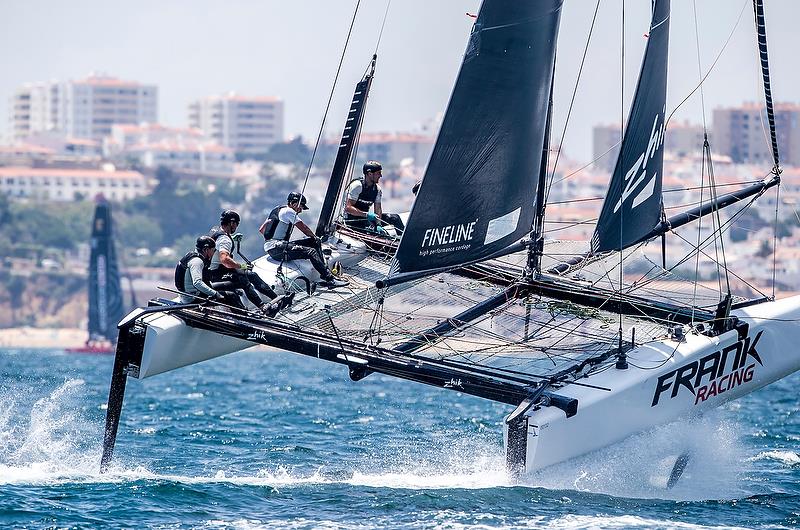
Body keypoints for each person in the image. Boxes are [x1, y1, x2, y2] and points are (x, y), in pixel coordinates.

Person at [208, 210, 292, 315]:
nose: (236, 227)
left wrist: (232, 238)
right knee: (242, 278)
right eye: (236, 224)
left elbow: (218, 244)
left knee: (251, 274)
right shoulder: (225, 240)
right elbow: (225, 260)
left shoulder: (216, 230)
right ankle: (264, 308)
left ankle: (278, 299)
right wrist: (241, 265)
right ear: (232, 223)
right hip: (215, 275)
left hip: (213, 271)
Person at [261, 192, 348, 288]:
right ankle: (330, 280)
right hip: (277, 249)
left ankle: (324, 271)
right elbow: (304, 228)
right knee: (311, 252)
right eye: (301, 207)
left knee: (314, 242)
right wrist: (315, 237)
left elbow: (262, 230)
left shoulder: (277, 210)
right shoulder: (289, 211)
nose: (301, 211)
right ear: (294, 204)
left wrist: (315, 240)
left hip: (275, 247)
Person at [174, 235, 243, 308]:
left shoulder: (193, 256)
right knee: (231, 295)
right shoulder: (197, 261)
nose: (213, 253)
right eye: (213, 250)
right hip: (193, 298)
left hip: (190, 294)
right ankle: (244, 315)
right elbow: (197, 283)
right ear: (206, 250)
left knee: (227, 285)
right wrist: (216, 294)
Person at [343, 160, 405, 235]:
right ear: (369, 174)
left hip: (366, 218)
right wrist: (366, 215)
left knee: (394, 218)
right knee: (373, 232)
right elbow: (348, 208)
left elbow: (378, 209)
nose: (381, 176)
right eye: (378, 173)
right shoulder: (357, 186)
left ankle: (403, 240)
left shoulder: (377, 189)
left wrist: (378, 224)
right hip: (351, 221)